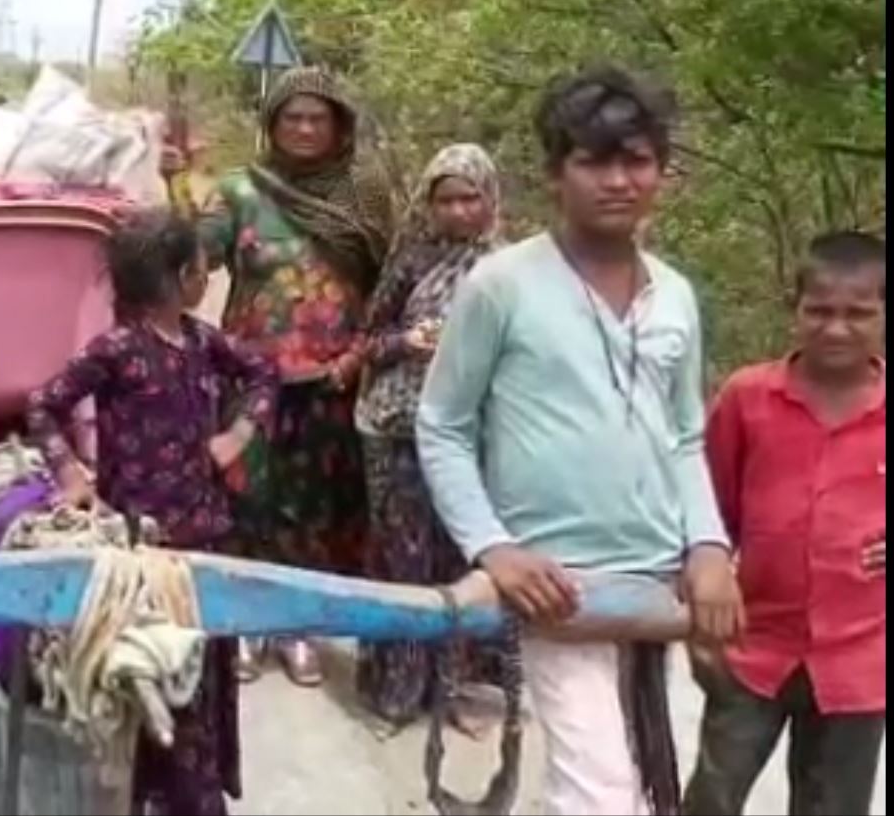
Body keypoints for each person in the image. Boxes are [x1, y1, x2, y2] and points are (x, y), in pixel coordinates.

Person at [415, 64, 744, 816]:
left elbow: (685, 435)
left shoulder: (677, 296)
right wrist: (493, 548)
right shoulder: (500, 285)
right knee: (598, 793)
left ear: (662, 172)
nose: (617, 180)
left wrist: (709, 547)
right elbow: (441, 425)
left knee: (649, 780)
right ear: (554, 174)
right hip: (553, 585)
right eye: (593, 160)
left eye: (636, 160)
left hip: (661, 587)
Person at [25, 213, 279, 816]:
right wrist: (69, 474)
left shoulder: (201, 340)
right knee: (156, 685)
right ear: (180, 276)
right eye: (201, 267)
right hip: (143, 553)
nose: (206, 276)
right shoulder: (118, 349)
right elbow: (43, 406)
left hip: (208, 542)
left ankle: (190, 795)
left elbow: (265, 372)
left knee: (203, 683)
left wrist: (238, 435)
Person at [179, 66, 393, 686]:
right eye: (291, 117)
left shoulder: (364, 192)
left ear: (339, 127)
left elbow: (389, 285)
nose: (304, 128)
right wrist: (174, 183)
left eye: (317, 119)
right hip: (253, 378)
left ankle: (300, 628)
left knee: (316, 509)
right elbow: (195, 262)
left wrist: (362, 353)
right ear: (271, 125)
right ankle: (245, 626)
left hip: (335, 377)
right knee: (248, 500)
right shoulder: (241, 189)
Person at [684, 231, 886, 816]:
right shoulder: (748, 398)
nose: (837, 328)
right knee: (712, 799)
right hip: (752, 648)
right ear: (793, 307)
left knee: (833, 805)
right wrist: (699, 625)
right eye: (819, 311)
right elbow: (705, 514)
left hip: (859, 661)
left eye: (859, 313)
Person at [353, 143, 510, 730]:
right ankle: (395, 687)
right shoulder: (412, 259)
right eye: (446, 200)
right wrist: (405, 343)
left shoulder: (509, 267)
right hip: (397, 427)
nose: (459, 212)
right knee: (401, 558)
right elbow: (368, 338)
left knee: (459, 561)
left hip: (475, 436)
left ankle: (451, 687)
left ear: (491, 199)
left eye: (470, 198)